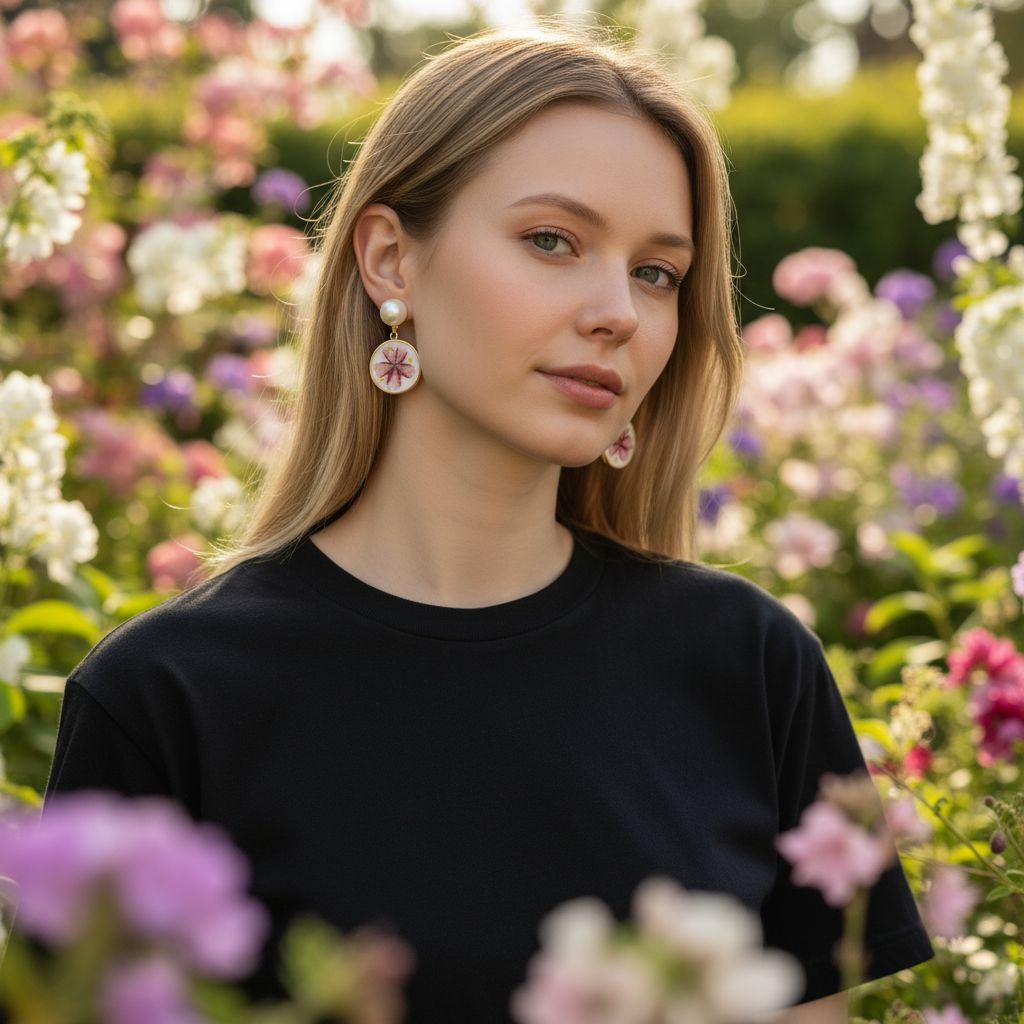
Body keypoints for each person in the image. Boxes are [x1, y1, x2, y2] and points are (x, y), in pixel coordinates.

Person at [43, 23, 934, 1023]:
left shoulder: (750, 666)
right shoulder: (163, 701)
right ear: (391, 260)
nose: (618, 313)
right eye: (552, 240)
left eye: (657, 273)